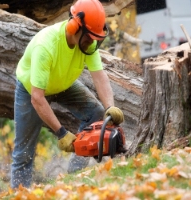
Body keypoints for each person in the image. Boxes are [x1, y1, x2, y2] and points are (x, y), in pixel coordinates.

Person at [11, 0, 124, 188]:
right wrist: (61, 133)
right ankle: (20, 193)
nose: (91, 43)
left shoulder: (88, 42)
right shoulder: (46, 46)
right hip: (32, 90)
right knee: (23, 153)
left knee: (96, 113)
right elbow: (37, 98)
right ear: (74, 27)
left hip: (63, 84)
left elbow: (100, 75)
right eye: (89, 38)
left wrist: (110, 107)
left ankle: (75, 176)